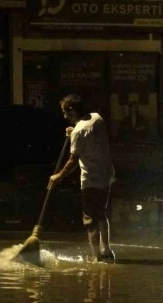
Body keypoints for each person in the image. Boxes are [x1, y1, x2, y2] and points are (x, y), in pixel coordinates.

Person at [48, 94, 116, 262]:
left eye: (65, 112)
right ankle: (106, 250)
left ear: (72, 110)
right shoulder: (96, 118)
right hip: (106, 175)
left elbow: (73, 161)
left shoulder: (78, 131)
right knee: (102, 213)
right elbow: (89, 136)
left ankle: (96, 256)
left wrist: (58, 176)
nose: (65, 117)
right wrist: (74, 131)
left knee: (89, 218)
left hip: (90, 179)